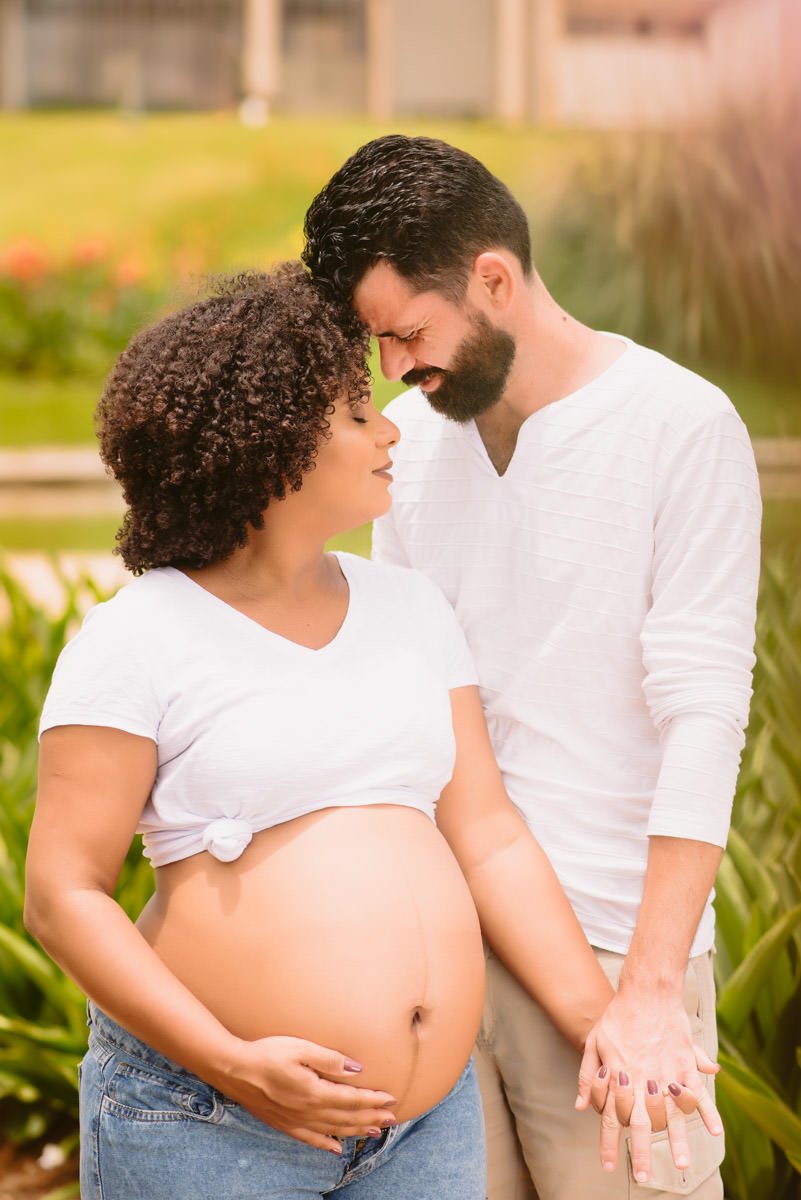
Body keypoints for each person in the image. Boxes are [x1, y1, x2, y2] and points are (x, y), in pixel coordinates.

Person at [26, 263, 623, 1200]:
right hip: (211, 1120)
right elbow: (63, 896)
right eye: (355, 413)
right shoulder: (135, 638)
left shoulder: (411, 608)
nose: (390, 429)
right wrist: (231, 1061)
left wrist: (603, 1020)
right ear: (266, 444)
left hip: (424, 1130)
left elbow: (488, 836)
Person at [302, 135, 762, 1200]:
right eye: (377, 342)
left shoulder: (680, 426)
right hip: (445, 956)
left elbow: (703, 713)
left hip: (614, 958)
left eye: (407, 332)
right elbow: (409, 699)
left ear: (493, 280)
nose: (393, 369)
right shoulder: (406, 445)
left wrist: (650, 992)